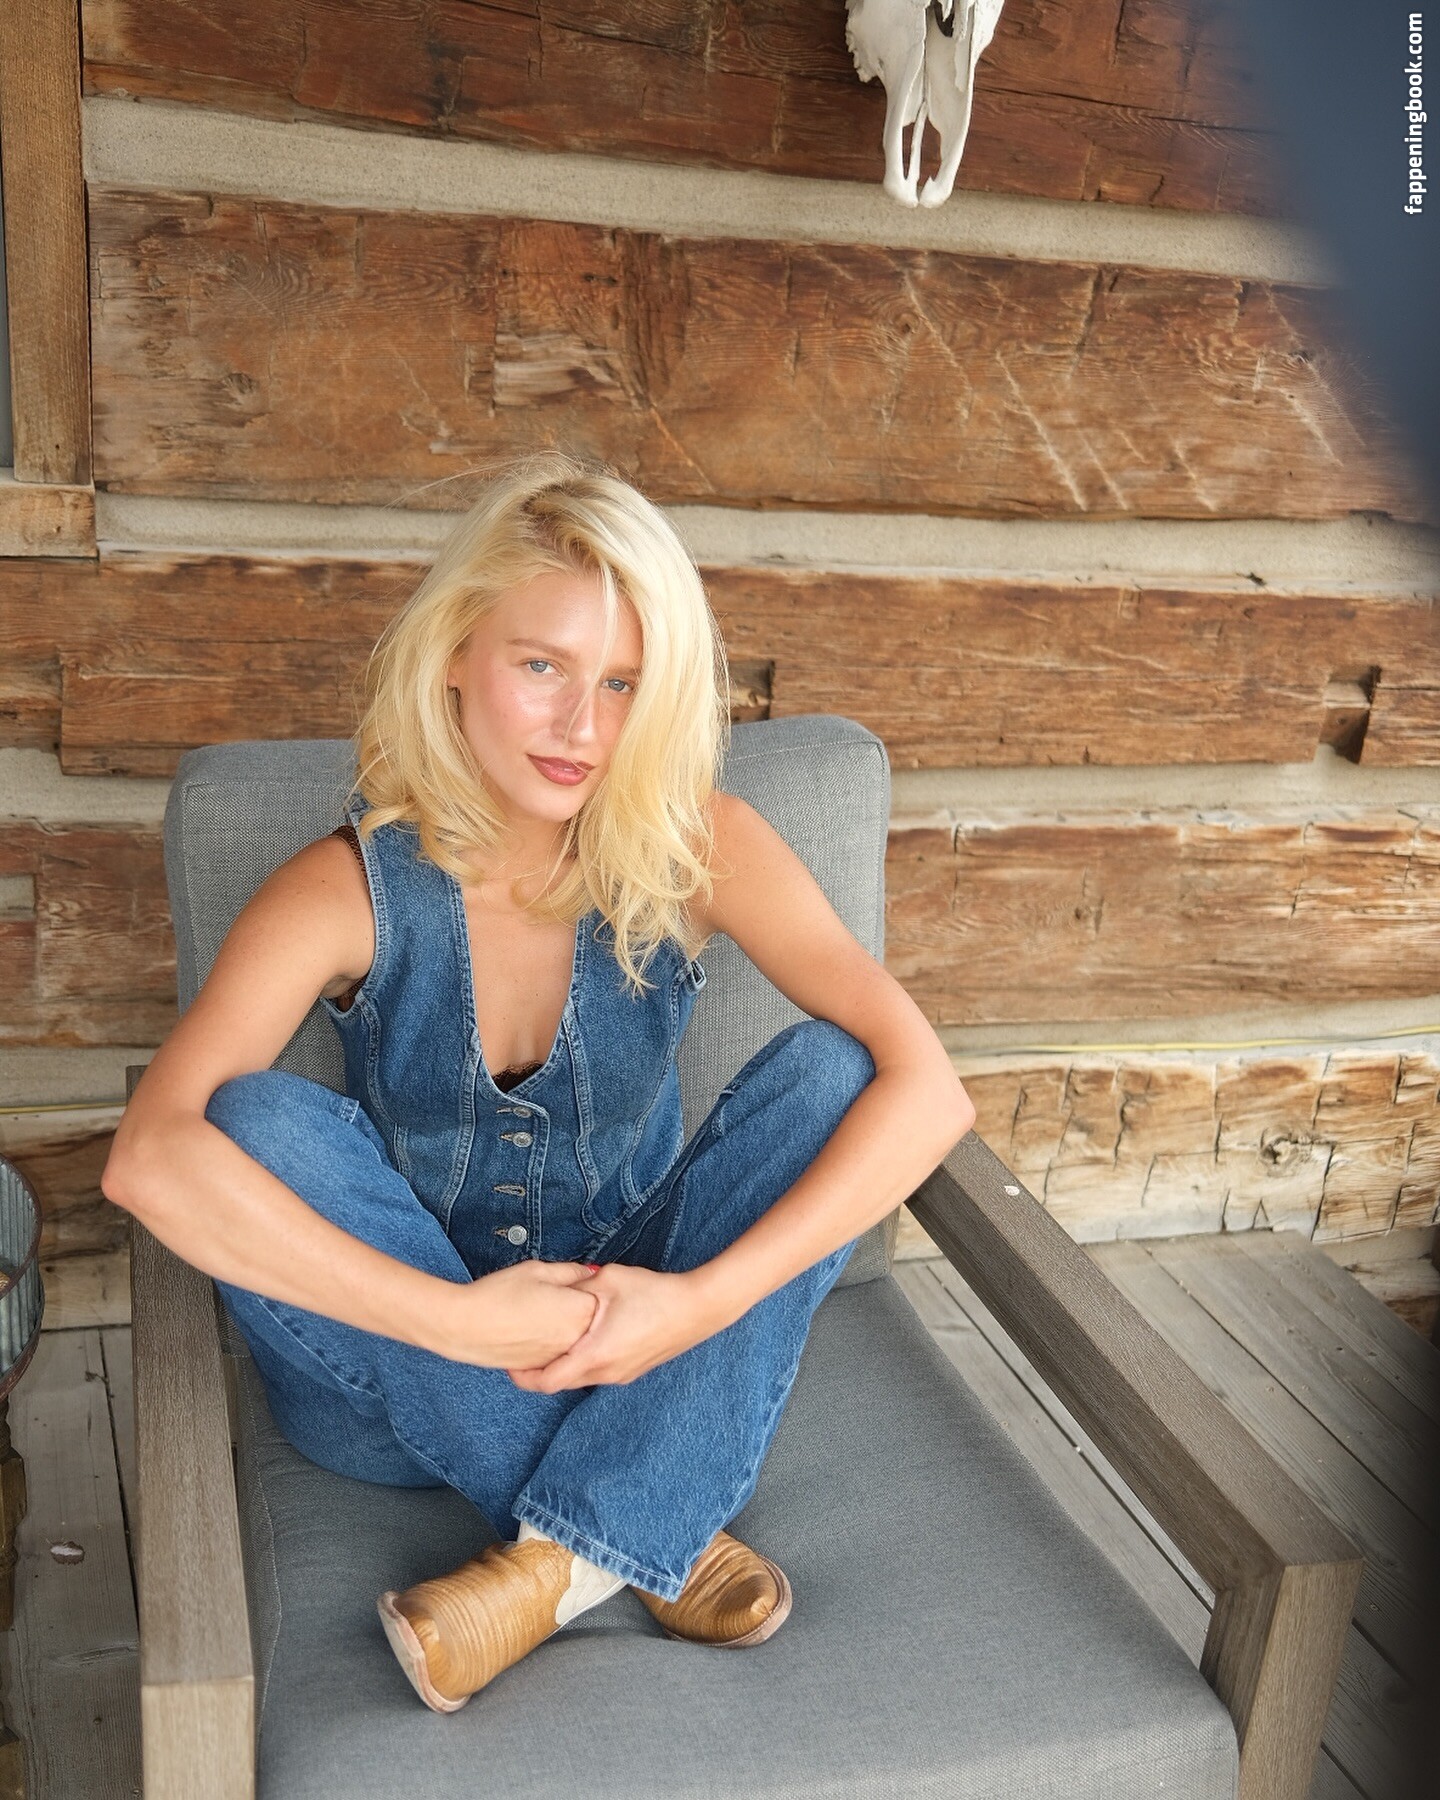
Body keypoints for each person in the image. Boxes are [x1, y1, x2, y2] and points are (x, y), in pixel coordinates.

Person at [102, 449, 976, 1713]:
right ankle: (654, 1523)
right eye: (542, 667)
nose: (583, 729)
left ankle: (541, 1578)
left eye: (622, 684)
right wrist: (455, 1321)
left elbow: (929, 1091)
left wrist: (694, 1305)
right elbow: (151, 1156)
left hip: (635, 1327)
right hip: (394, 1368)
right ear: (455, 653)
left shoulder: (701, 848)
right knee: (251, 1119)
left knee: (839, 1071)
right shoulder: (341, 889)